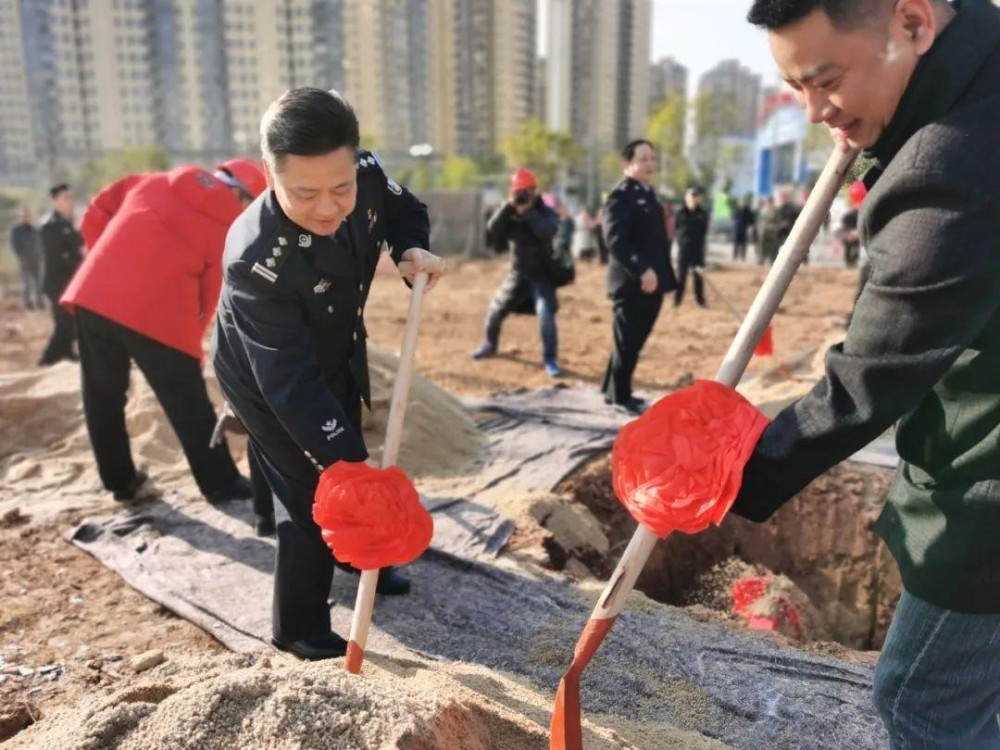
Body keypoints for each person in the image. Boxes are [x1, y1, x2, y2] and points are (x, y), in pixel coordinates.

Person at [731, 1, 1000, 747]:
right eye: (798, 90)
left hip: (989, 485)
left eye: (826, 80)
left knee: (925, 699)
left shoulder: (950, 163)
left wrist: (725, 476)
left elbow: (872, 375)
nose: (817, 112)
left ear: (913, 23)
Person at [212, 88, 446, 661]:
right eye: (305, 192)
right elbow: (289, 385)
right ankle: (299, 626)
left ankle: (361, 554)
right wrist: (351, 466)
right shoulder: (256, 258)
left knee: (346, 450)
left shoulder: (363, 175)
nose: (327, 207)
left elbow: (403, 210)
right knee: (312, 486)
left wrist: (410, 248)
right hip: (266, 376)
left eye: (340, 189)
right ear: (269, 172)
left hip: (336, 340)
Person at [59, 160, 265, 502]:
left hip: (93, 295)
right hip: (158, 315)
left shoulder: (149, 182)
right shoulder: (229, 230)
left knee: (101, 396)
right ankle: (221, 484)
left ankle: (120, 483)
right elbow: (210, 296)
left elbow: (94, 214)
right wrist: (189, 345)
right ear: (243, 196)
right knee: (188, 401)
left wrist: (112, 260)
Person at [601, 139, 678, 414]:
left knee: (632, 340)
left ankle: (610, 389)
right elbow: (615, 240)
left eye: (651, 159)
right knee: (628, 341)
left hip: (652, 282)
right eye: (643, 159)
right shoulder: (621, 197)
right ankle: (621, 396)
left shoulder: (648, 193)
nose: (650, 165)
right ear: (627, 164)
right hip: (632, 284)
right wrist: (641, 269)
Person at [470, 168, 562, 377]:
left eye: (527, 191)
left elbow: (548, 231)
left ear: (534, 191)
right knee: (495, 310)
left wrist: (528, 213)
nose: (523, 196)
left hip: (541, 275)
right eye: (519, 191)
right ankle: (489, 345)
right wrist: (508, 208)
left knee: (546, 315)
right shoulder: (509, 212)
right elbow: (492, 231)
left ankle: (550, 360)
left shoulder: (544, 211)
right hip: (518, 274)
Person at [38, 184, 83, 365]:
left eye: (71, 197)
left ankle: (66, 353)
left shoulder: (67, 222)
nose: (69, 202)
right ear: (55, 201)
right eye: (65, 198)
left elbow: (78, 242)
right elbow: (59, 255)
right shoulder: (50, 225)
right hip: (57, 281)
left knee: (70, 321)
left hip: (69, 280)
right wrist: (81, 256)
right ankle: (48, 359)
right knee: (64, 323)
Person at [673, 186, 709, 307]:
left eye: (696, 197)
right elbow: (676, 229)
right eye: (691, 196)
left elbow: (704, 231)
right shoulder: (680, 213)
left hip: (697, 250)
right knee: (681, 278)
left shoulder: (702, 214)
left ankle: (700, 300)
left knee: (698, 277)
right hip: (684, 250)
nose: (694, 199)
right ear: (686, 198)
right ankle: (677, 301)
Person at [8, 207, 43, 311]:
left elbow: (39, 244)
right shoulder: (16, 231)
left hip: (35, 259)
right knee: (26, 283)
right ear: (19, 217)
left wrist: (39, 255)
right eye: (23, 216)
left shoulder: (34, 230)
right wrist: (22, 257)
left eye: (27, 216)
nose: (25, 218)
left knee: (38, 282)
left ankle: (39, 302)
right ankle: (27, 303)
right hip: (24, 260)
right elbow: (15, 245)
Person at [731, 196, 756, 263]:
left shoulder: (748, 211)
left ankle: (743, 256)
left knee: (743, 244)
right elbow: (733, 218)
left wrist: (750, 226)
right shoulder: (736, 210)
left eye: (743, 202)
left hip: (744, 229)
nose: (742, 204)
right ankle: (735, 256)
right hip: (737, 229)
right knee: (736, 243)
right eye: (741, 202)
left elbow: (751, 220)